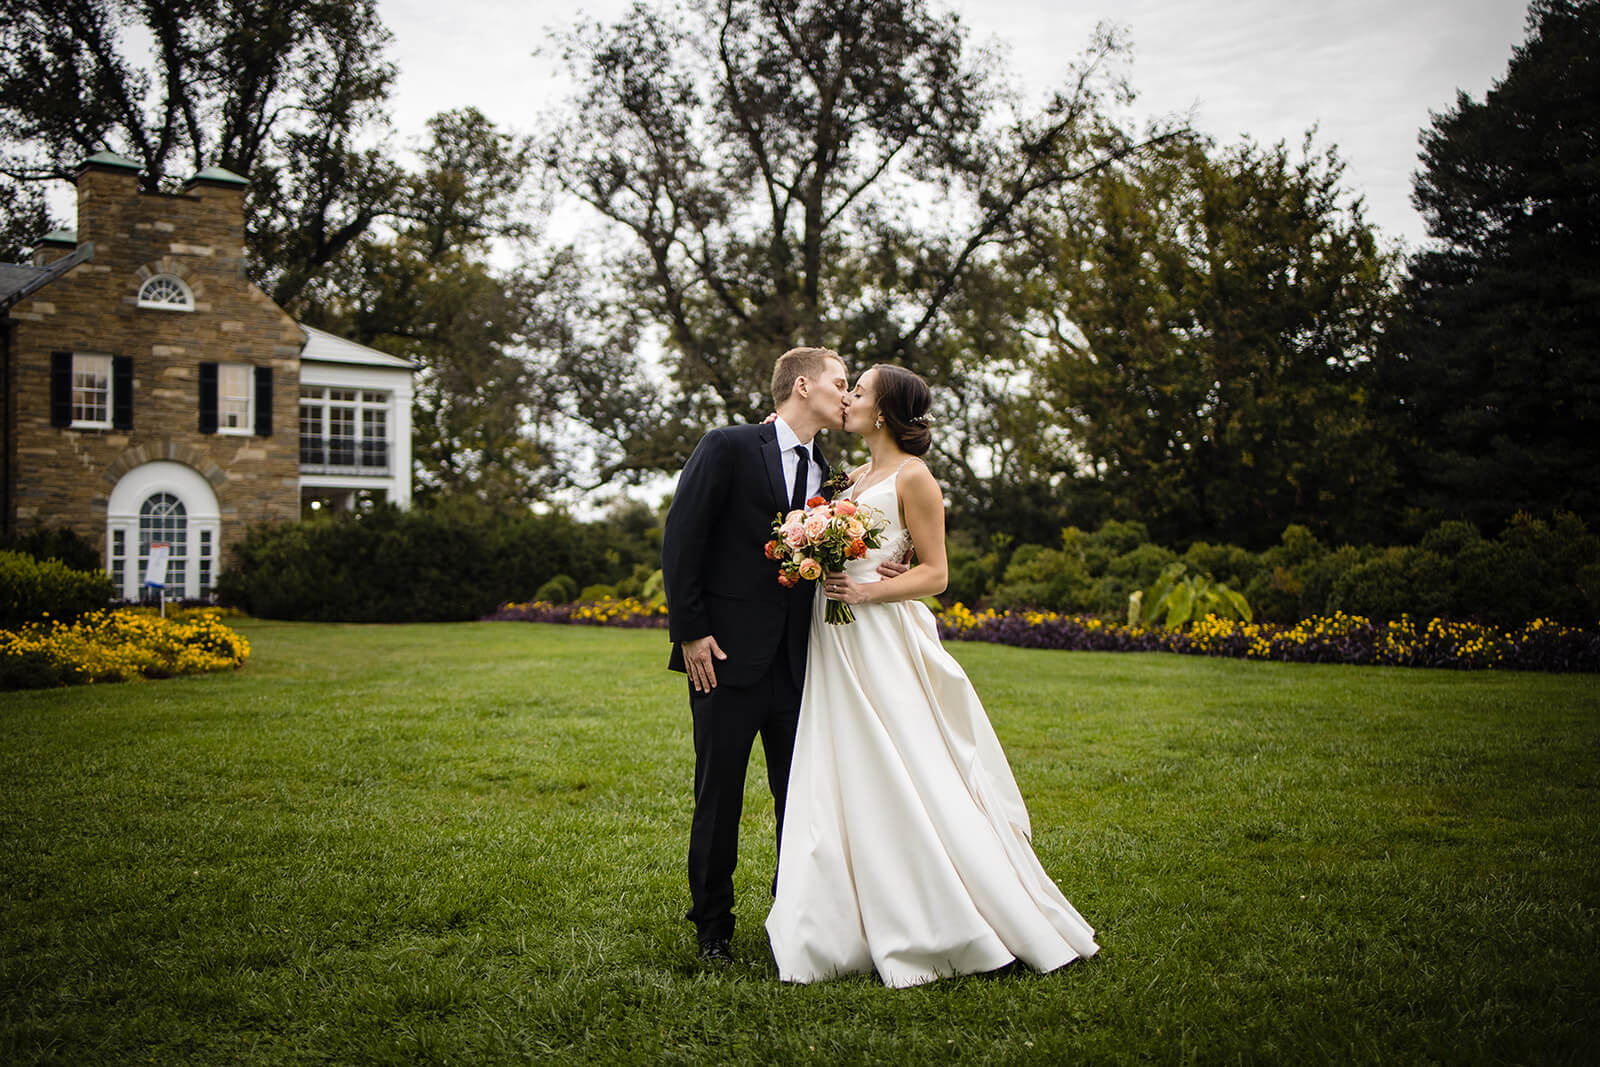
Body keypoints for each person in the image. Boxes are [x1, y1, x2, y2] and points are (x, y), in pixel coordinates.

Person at [765, 364, 1100, 988]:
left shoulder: (914, 478)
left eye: (858, 392)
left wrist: (866, 596)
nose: (848, 399)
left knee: (903, 761)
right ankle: (835, 919)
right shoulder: (849, 477)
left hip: (877, 636)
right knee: (839, 765)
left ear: (884, 412)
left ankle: (944, 911)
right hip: (830, 639)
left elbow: (937, 575)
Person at [660, 346, 850, 964]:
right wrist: (690, 633)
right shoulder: (728, 446)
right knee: (720, 796)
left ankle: (787, 918)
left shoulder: (831, 476)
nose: (846, 395)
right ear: (802, 387)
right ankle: (712, 927)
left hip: (799, 666)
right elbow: (683, 537)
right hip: (721, 657)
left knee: (798, 801)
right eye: (839, 383)